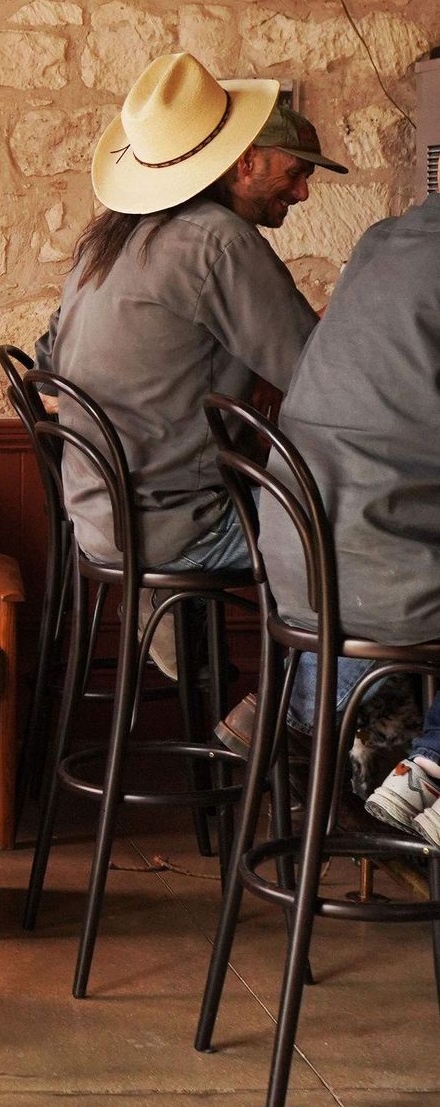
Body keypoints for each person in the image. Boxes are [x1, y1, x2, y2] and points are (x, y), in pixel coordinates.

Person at [35, 53, 344, 598]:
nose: (302, 193)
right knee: (364, 535)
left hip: (98, 515)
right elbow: (317, 379)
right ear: (245, 162)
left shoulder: (108, 241)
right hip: (181, 528)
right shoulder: (217, 240)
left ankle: (175, 640)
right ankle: (302, 663)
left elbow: (49, 359)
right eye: (296, 173)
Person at [248, 196, 440, 845]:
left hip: (296, 563)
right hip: (369, 577)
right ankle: (430, 768)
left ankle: (304, 722)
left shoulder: (380, 240)